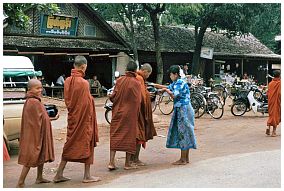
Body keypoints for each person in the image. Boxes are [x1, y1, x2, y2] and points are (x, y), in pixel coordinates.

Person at [53, 56, 100, 183]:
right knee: (87, 143)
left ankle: (58, 174)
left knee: (69, 145)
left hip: (73, 118)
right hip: (83, 120)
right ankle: (87, 176)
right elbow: (86, 105)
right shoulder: (84, 83)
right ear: (83, 66)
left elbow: (69, 101)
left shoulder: (67, 80)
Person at [16, 79, 59, 188]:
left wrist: (50, 118)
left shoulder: (34, 100)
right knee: (31, 156)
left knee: (41, 153)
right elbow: (40, 119)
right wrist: (52, 118)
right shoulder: (33, 102)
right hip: (34, 134)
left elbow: (42, 117)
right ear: (30, 89)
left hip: (38, 132)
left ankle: (39, 177)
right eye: (37, 88)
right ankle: (21, 182)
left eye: (41, 88)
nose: (40, 90)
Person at [154, 65, 197, 165]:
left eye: (171, 74)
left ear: (176, 74)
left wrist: (165, 90)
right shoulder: (177, 82)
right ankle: (185, 158)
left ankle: (183, 159)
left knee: (183, 133)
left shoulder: (180, 83)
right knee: (185, 132)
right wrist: (156, 85)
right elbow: (167, 87)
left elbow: (173, 95)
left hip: (183, 109)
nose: (170, 76)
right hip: (183, 108)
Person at [108, 60, 142, 170]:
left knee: (115, 136)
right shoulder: (136, 82)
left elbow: (113, 96)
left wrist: (110, 97)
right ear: (135, 70)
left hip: (117, 113)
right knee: (129, 136)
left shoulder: (119, 80)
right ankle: (127, 163)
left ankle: (111, 162)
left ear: (126, 69)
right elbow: (138, 100)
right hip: (129, 115)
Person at [130, 63, 157, 166]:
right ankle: (135, 159)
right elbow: (141, 97)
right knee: (139, 135)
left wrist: (146, 93)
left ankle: (132, 159)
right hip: (139, 112)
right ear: (145, 71)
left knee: (135, 135)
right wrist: (147, 95)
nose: (148, 76)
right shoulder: (140, 78)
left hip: (133, 111)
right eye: (149, 74)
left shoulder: (135, 77)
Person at [266, 70, 281, 137]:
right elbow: (280, 93)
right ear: (279, 75)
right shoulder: (280, 83)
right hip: (277, 102)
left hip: (270, 101)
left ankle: (268, 127)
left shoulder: (270, 83)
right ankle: (274, 132)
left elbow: (267, 93)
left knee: (271, 114)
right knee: (275, 115)